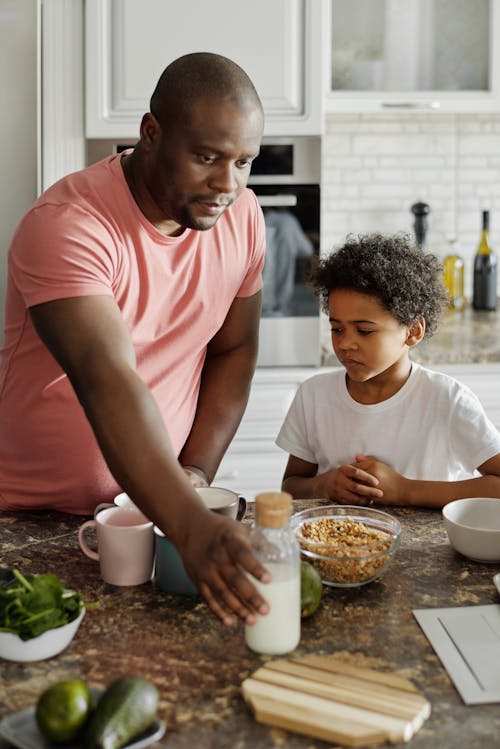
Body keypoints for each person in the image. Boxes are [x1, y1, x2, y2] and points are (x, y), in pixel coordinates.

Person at [0, 52, 272, 626]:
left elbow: (234, 349)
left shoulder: (243, 216)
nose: (228, 184)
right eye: (207, 157)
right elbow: (108, 380)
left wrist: (193, 477)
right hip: (26, 520)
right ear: (151, 133)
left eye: (244, 162)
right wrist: (191, 522)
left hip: (150, 511)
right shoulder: (67, 225)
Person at [276, 233, 500, 509]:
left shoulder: (447, 399)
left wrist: (406, 490)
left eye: (365, 331)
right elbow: (291, 487)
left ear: (413, 331)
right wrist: (324, 484)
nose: (345, 344)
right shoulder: (314, 396)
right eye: (337, 329)